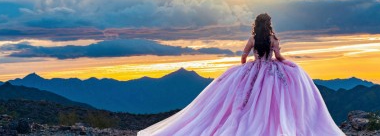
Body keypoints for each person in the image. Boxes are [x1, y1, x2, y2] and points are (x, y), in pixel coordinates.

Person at [137, 13, 345, 136]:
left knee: (246, 101)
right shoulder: (274, 39)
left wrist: (245, 67)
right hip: (271, 69)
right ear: (269, 25)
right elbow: (279, 57)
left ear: (257, 24)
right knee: (271, 102)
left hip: (253, 69)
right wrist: (288, 65)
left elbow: (244, 56)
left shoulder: (253, 38)